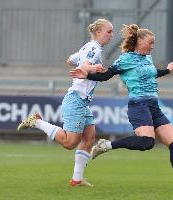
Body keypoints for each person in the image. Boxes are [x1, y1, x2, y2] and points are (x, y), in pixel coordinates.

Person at [69, 24, 173, 191]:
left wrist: (167, 70)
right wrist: (88, 74)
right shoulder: (125, 59)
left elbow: (153, 73)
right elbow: (107, 75)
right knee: (147, 142)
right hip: (138, 106)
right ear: (139, 41)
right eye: (150, 42)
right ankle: (106, 146)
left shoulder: (147, 58)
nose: (153, 46)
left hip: (154, 106)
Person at [17, 18, 114, 187]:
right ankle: (36, 122)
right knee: (70, 143)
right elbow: (83, 67)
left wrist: (85, 65)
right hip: (76, 99)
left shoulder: (87, 46)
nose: (111, 35)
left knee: (89, 137)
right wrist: (94, 68)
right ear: (98, 32)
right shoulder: (94, 48)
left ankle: (77, 179)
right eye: (109, 31)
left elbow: (70, 60)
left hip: (82, 102)